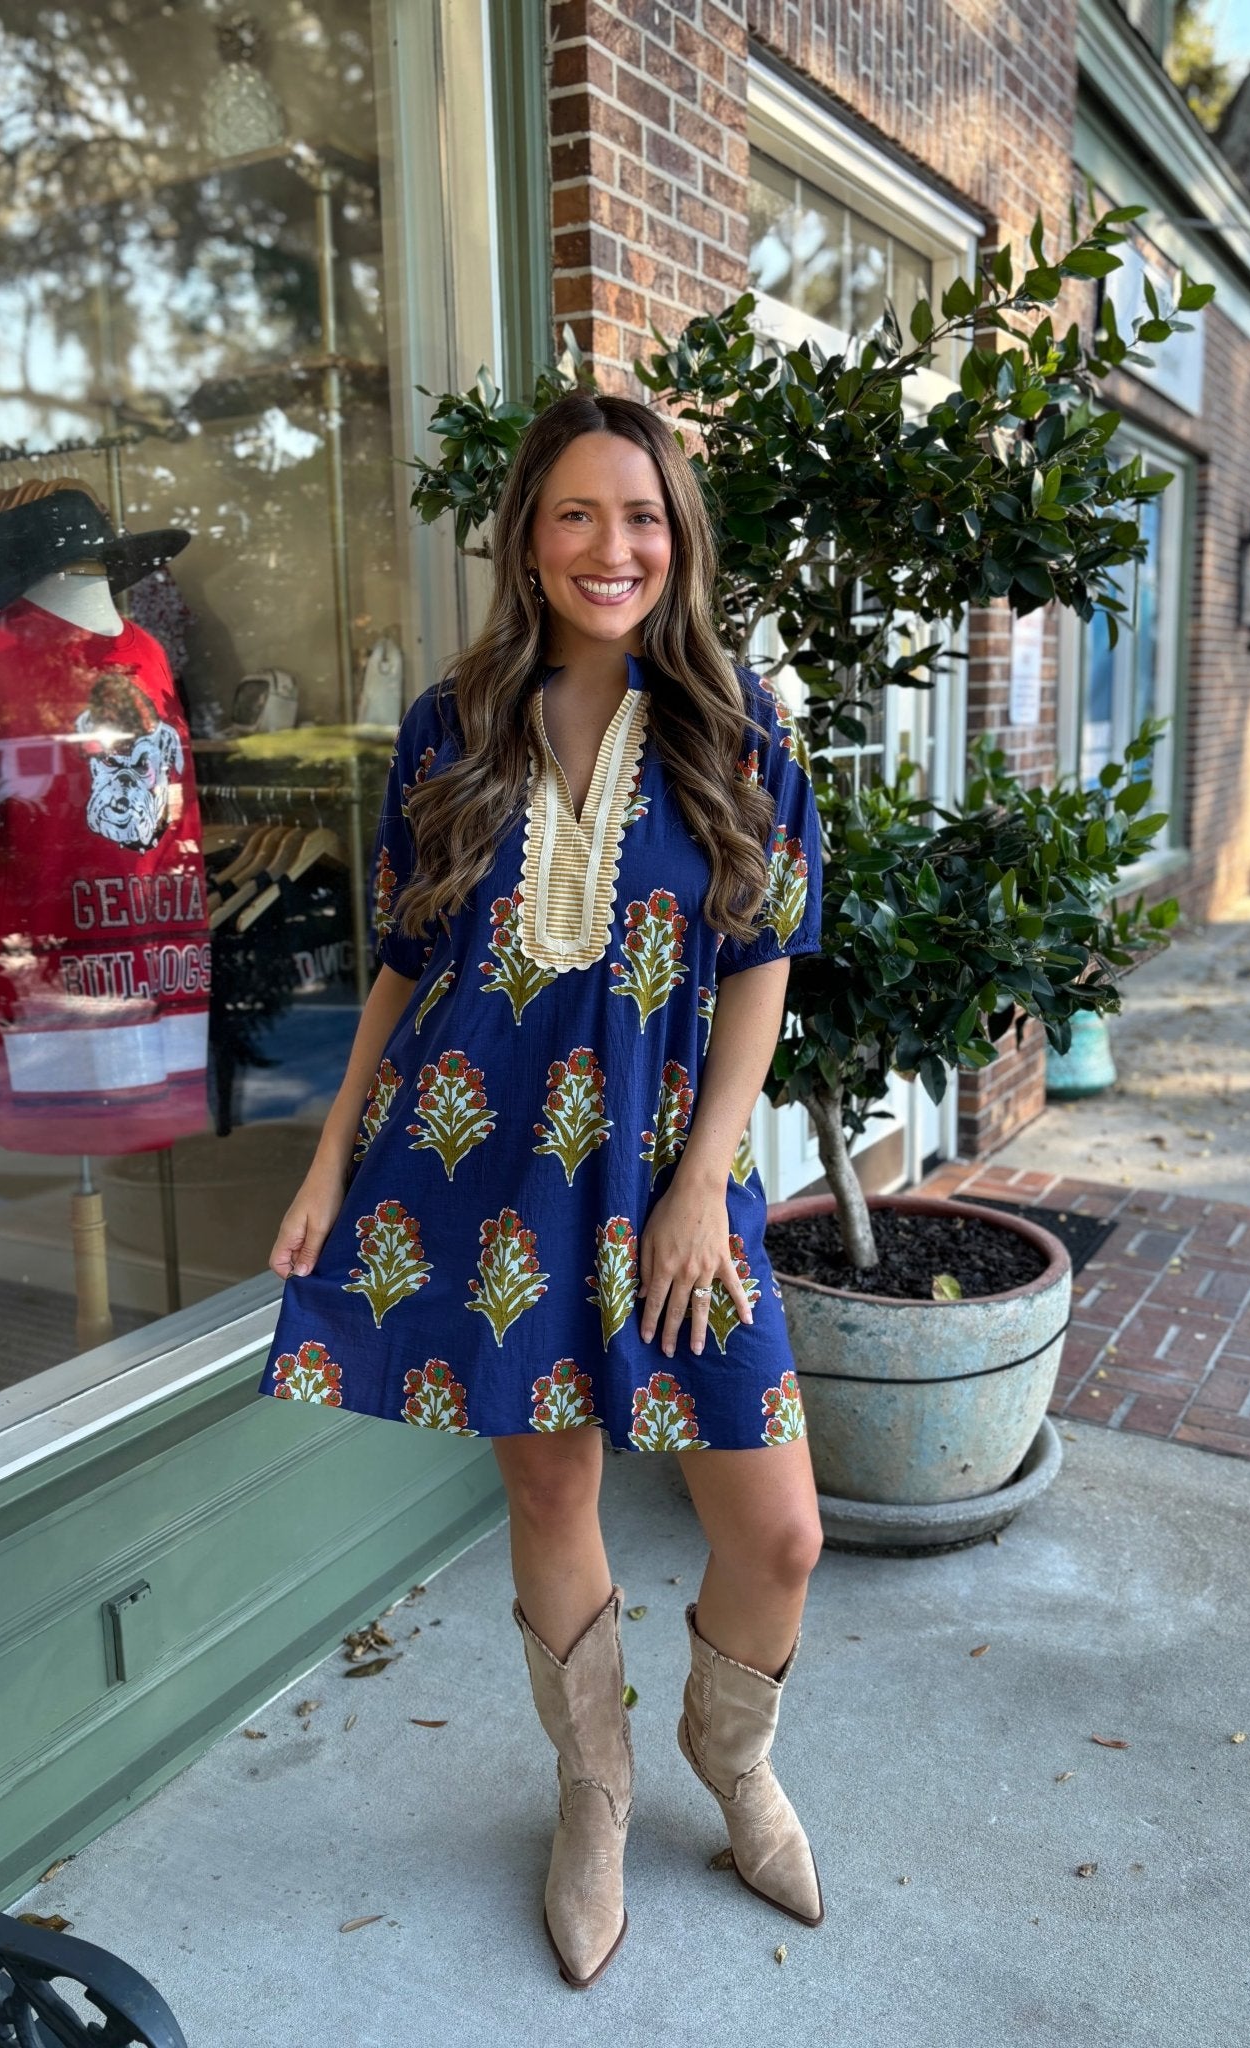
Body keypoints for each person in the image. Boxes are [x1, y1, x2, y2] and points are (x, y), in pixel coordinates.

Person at [261, 389, 826, 1989]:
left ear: (677, 540)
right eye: (576, 514)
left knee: (777, 1530)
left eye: (640, 517)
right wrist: (325, 1162)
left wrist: (703, 1180)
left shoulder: (738, 723)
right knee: (550, 1490)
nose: (611, 546)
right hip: (487, 1170)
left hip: (670, 1179)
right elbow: (400, 963)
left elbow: (762, 961)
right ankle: (596, 1793)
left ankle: (736, 1758)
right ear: (525, 537)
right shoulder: (451, 727)